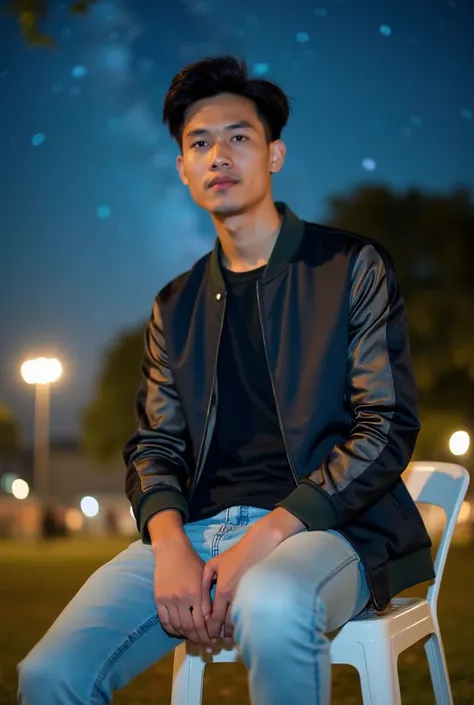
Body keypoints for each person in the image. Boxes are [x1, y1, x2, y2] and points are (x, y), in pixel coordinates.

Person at [17, 55, 435, 705]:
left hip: (327, 527)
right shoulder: (173, 304)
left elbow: (385, 425)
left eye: (239, 136)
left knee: (270, 600)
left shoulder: (350, 266)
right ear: (183, 169)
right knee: (49, 675)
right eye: (199, 143)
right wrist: (169, 545)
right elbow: (155, 445)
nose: (219, 155)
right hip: (194, 533)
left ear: (275, 154)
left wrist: (265, 536)